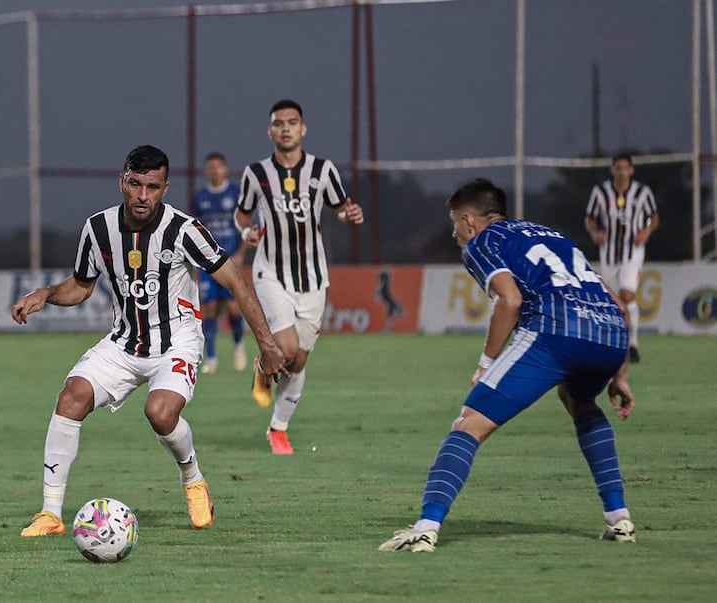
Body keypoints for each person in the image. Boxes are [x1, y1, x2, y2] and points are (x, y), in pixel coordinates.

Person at [11, 145, 286, 537]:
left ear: (165, 188)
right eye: (136, 184)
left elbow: (235, 280)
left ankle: (192, 479)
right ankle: (51, 513)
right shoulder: (98, 228)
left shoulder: (184, 230)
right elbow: (81, 287)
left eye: (153, 187)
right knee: (70, 396)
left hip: (177, 342)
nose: (143, 196)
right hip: (123, 344)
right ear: (122, 181)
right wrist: (47, 293)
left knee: (159, 412)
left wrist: (268, 346)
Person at [380, 178, 636, 553]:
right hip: (610, 335)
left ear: (469, 220)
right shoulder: (554, 236)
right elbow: (620, 306)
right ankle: (620, 518)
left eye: (455, 225)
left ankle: (426, 527)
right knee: (580, 401)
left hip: (555, 331)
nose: (455, 234)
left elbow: (510, 300)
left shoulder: (484, 242)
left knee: (469, 422)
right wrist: (621, 376)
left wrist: (486, 364)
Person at [234, 99, 364, 455]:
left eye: (293, 122)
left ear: (303, 129)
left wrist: (349, 213)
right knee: (286, 348)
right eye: (280, 123)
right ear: (270, 131)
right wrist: (246, 234)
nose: (286, 128)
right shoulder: (256, 174)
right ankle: (266, 366)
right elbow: (242, 215)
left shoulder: (323, 171)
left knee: (299, 361)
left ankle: (278, 427)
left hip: (312, 277)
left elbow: (340, 207)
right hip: (270, 271)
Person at [585, 154, 658, 363]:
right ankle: (612, 344)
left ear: (632, 170)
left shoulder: (642, 193)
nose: (622, 171)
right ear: (612, 170)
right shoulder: (600, 192)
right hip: (608, 253)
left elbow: (654, 217)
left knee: (627, 294)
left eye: (626, 167)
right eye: (618, 167)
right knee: (611, 299)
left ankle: (633, 344)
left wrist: (646, 231)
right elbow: (590, 218)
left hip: (632, 251)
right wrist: (595, 233)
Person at [192, 152, 248, 375]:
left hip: (230, 260)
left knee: (234, 309)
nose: (215, 170)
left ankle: (238, 346)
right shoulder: (200, 197)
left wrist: (242, 252)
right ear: (207, 171)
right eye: (211, 167)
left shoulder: (235, 193)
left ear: (225, 169)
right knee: (210, 309)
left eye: (219, 166)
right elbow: (194, 228)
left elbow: (245, 224)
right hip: (207, 263)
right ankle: (212, 358)